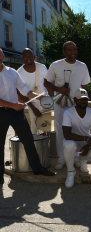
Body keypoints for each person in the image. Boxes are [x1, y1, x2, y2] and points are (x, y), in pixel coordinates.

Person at [0, 48, 55, 184]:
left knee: (28, 140)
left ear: (2, 55)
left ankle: (37, 169)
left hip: (16, 113)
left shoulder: (12, 72)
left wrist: (37, 96)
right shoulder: (16, 71)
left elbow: (24, 88)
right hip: (2, 112)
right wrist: (14, 105)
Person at [44, 41, 91, 170]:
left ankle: (76, 158)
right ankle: (61, 159)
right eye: (69, 50)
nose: (73, 52)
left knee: (76, 130)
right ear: (64, 52)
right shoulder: (56, 65)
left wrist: (83, 102)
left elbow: (84, 87)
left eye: (74, 49)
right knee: (60, 132)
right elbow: (46, 82)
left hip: (76, 104)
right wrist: (59, 90)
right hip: (60, 103)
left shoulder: (82, 66)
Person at [62, 88, 91, 188]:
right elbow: (66, 135)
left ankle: (82, 160)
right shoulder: (68, 113)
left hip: (85, 142)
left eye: (85, 99)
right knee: (69, 144)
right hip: (74, 141)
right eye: (80, 99)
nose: (83, 101)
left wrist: (88, 145)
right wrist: (87, 139)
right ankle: (71, 171)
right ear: (74, 100)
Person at [17, 48, 52, 134]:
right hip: (32, 104)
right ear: (22, 58)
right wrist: (33, 108)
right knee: (34, 126)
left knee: (50, 125)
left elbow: (48, 84)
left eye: (30, 56)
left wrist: (52, 100)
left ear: (34, 56)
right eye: (26, 56)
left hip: (46, 101)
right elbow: (22, 93)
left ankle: (49, 146)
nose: (28, 58)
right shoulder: (19, 72)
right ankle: (36, 146)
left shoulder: (42, 67)